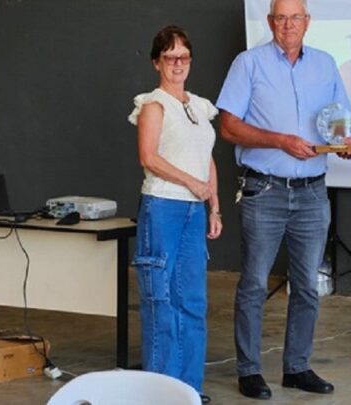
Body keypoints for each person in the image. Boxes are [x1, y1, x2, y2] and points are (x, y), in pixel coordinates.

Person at [216, 0, 351, 399]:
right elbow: (228, 126)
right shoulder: (249, 63)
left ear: (307, 22)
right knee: (255, 283)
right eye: (281, 17)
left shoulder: (326, 63)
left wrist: (345, 143)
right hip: (265, 189)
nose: (288, 24)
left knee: (307, 287)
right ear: (270, 22)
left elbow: (337, 124)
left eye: (296, 17)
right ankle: (249, 371)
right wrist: (279, 140)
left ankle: (296, 367)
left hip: (313, 191)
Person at [128, 25, 222, 404]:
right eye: (170, 57)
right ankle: (160, 393)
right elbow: (149, 158)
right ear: (157, 62)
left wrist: (213, 204)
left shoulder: (199, 106)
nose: (178, 63)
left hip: (193, 212)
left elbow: (207, 159)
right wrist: (191, 184)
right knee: (161, 304)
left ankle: (189, 391)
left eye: (183, 56)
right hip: (163, 208)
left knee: (193, 303)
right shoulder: (153, 105)